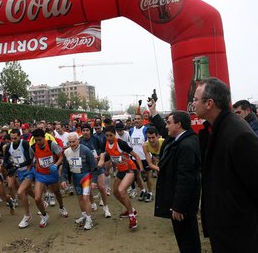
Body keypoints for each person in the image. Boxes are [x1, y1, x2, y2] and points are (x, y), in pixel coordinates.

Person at [193, 78, 258, 252]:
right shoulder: (214, 129)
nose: (192, 104)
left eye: (195, 99)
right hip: (223, 229)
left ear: (209, 103)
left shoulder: (238, 134)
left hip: (239, 234)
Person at [149, 102, 201, 253]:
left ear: (178, 124)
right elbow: (163, 130)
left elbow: (186, 179)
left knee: (188, 239)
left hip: (183, 204)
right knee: (184, 238)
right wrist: (153, 112)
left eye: (169, 123)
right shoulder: (177, 138)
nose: (166, 126)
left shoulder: (187, 145)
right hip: (179, 200)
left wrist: (178, 205)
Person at [100, 126, 142, 229]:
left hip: (130, 169)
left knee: (121, 190)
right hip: (121, 171)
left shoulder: (120, 143)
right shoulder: (104, 144)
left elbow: (136, 156)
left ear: (115, 134)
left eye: (111, 135)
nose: (109, 138)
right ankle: (131, 209)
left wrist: (142, 170)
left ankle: (132, 217)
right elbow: (103, 157)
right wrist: (100, 164)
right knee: (115, 192)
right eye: (107, 136)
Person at [30, 128, 68, 228]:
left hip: (52, 173)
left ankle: (61, 207)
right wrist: (31, 170)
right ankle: (44, 215)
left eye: (40, 140)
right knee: (37, 198)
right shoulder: (33, 148)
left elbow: (61, 156)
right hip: (40, 175)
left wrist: (55, 165)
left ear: (44, 138)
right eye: (36, 140)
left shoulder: (51, 144)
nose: (38, 142)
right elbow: (31, 160)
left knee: (57, 193)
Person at [61, 133, 98, 230]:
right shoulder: (66, 152)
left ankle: (89, 220)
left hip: (85, 176)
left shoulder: (85, 150)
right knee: (80, 198)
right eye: (70, 142)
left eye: (74, 141)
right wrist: (64, 179)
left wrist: (94, 180)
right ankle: (84, 215)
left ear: (78, 140)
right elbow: (65, 167)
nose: (72, 144)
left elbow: (94, 166)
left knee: (86, 198)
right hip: (75, 177)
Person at [2, 129, 35, 228]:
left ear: (19, 137)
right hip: (20, 172)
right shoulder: (9, 146)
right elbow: (5, 162)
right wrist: (11, 165)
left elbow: (29, 160)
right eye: (11, 138)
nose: (13, 140)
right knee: (28, 190)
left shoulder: (24, 144)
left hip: (29, 170)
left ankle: (27, 215)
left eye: (15, 138)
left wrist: (17, 166)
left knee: (20, 192)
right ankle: (42, 202)